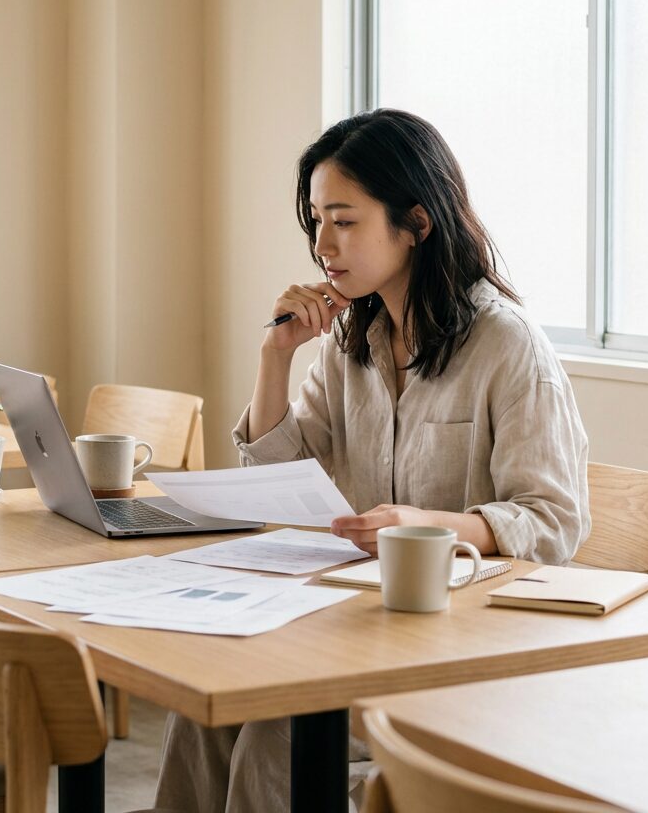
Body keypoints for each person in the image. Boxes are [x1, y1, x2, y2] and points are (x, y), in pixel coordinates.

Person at [152, 108, 590, 813]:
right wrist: (274, 359)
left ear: (416, 222)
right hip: (352, 626)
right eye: (317, 220)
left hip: (457, 644)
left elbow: (554, 521)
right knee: (201, 713)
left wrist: (426, 524)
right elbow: (276, 479)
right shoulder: (347, 342)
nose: (324, 244)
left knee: (274, 731)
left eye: (345, 220)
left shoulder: (508, 346)